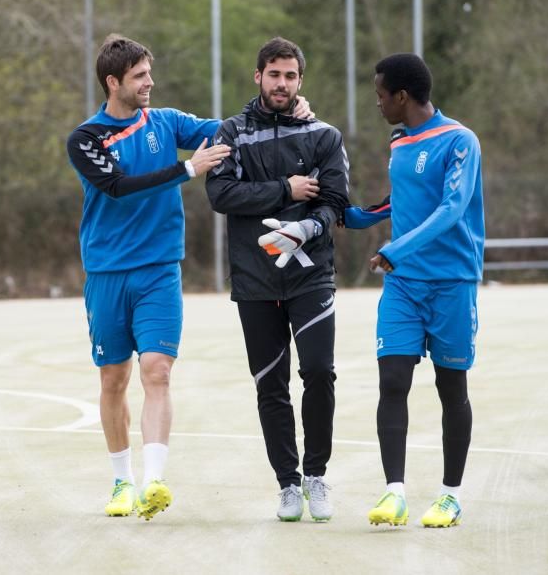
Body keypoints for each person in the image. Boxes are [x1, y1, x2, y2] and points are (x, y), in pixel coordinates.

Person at [66, 34, 312, 521]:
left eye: (149, 73)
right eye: (139, 76)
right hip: (106, 272)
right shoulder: (86, 139)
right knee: (114, 378)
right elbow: (117, 187)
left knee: (156, 370)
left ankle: (154, 481)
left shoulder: (166, 122)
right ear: (114, 82)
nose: (149, 82)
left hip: (159, 269)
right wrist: (186, 169)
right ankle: (122, 480)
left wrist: (283, 106)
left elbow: (232, 130)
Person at [206, 37, 349, 522]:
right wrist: (284, 190)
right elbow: (222, 194)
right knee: (271, 387)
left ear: (300, 81)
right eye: (274, 74)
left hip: (311, 278)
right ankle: (288, 484)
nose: (282, 83)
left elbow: (335, 203)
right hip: (255, 283)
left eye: (290, 76)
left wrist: (309, 225)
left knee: (319, 374)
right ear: (258, 77)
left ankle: (316, 476)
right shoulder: (233, 131)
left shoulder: (324, 135)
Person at [352, 52, 484, 529]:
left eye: (381, 95)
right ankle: (395, 493)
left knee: (452, 389)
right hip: (404, 285)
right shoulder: (399, 141)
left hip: (451, 284)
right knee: (392, 382)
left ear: (402, 96)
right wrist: (344, 214)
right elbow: (399, 201)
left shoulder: (460, 140)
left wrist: (396, 248)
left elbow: (451, 208)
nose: (378, 103)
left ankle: (450, 495)